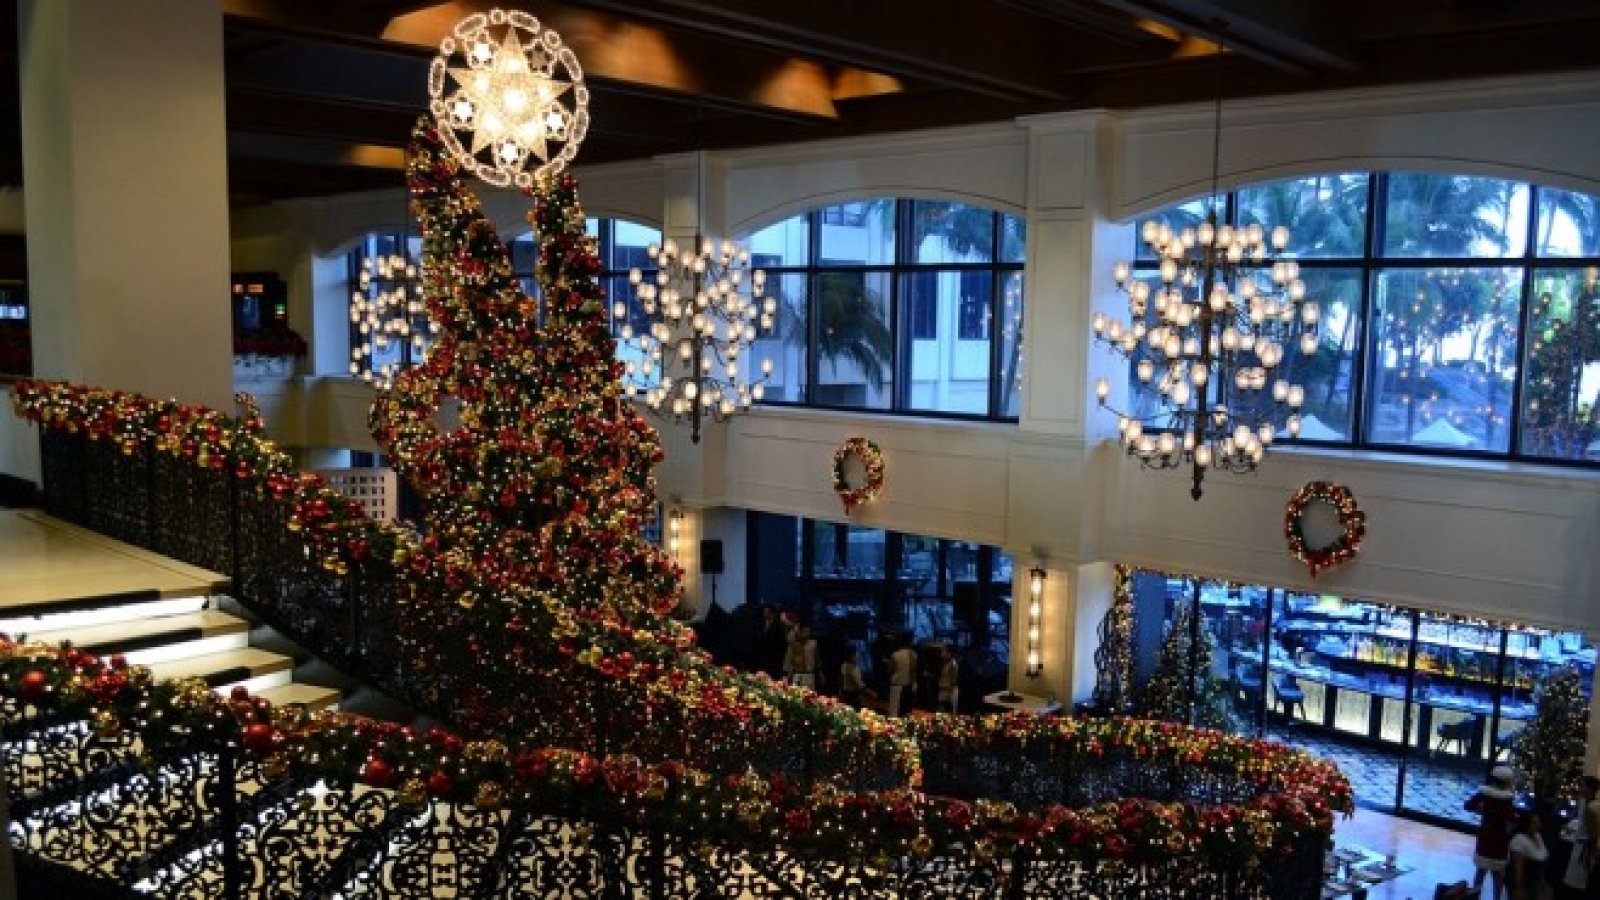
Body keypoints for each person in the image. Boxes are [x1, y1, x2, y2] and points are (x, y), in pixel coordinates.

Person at [1466, 765, 1519, 900]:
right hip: (1500, 841)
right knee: (1498, 874)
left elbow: (1468, 805)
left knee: (1480, 872)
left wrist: (1481, 810)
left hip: (1485, 837)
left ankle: (1474, 897)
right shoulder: (1507, 801)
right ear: (1507, 782)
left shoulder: (1484, 795)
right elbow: (1512, 821)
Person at [1562, 776, 1600, 898]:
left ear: (1589, 789)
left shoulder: (1591, 808)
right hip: (1581, 846)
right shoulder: (1585, 803)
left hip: (1584, 850)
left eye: (1582, 786)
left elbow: (1593, 833)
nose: (1579, 788)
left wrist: (1592, 854)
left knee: (1579, 883)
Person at [1508, 810, 1548, 900]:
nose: (1539, 825)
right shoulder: (1520, 840)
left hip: (1534, 884)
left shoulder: (1537, 836)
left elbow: (1540, 866)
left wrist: (1543, 884)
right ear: (1526, 825)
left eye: (1538, 822)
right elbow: (1518, 870)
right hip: (1524, 885)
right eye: (1535, 823)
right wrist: (1519, 890)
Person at [888, 641, 917, 717]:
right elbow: (915, 670)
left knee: (894, 707)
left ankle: (893, 721)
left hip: (897, 683)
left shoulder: (895, 655)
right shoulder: (914, 655)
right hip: (909, 684)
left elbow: (890, 669)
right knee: (907, 708)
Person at [785, 624, 817, 689]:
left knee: (809, 693)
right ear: (801, 632)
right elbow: (789, 659)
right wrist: (787, 674)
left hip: (809, 674)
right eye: (805, 631)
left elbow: (817, 659)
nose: (807, 633)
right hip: (797, 674)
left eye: (809, 631)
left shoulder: (813, 643)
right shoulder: (793, 644)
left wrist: (819, 672)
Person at [937, 645, 959, 713]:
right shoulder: (945, 663)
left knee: (947, 712)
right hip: (943, 692)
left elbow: (954, 680)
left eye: (943, 651)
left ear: (949, 653)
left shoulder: (953, 664)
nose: (941, 653)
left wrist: (949, 695)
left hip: (948, 693)